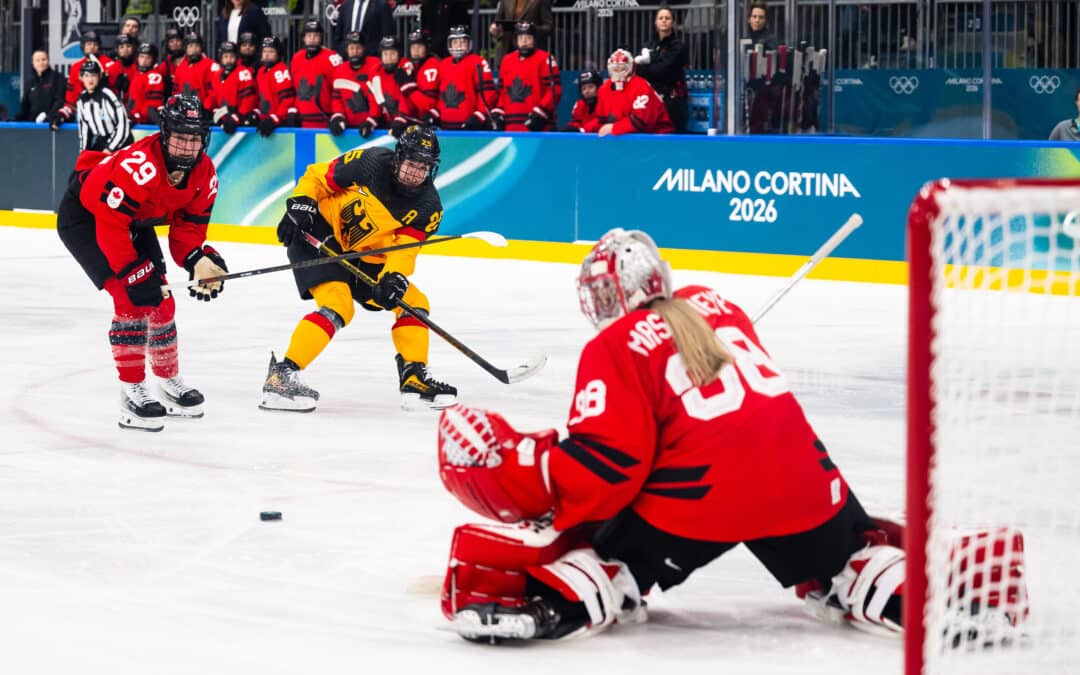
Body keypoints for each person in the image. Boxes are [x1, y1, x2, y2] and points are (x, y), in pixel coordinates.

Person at [433, 228, 907, 642]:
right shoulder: (721, 308)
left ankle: (559, 604)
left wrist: (533, 473)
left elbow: (608, 466)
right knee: (851, 558)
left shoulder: (614, 344)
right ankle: (897, 589)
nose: (601, 306)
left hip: (699, 503)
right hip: (808, 489)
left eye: (605, 295)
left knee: (607, 559)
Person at [55, 94, 227, 431]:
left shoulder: (205, 173)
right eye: (180, 137)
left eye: (194, 138)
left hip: (132, 221)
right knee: (130, 298)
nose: (187, 147)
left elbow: (188, 230)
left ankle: (168, 380)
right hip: (88, 218)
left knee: (162, 300)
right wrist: (132, 274)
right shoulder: (140, 166)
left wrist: (197, 259)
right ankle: (131, 391)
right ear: (165, 134)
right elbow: (110, 225)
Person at [260, 125, 456, 413]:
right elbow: (318, 176)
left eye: (423, 167)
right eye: (412, 163)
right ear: (398, 157)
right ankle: (282, 376)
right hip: (318, 235)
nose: (416, 173)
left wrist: (393, 278)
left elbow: (403, 250)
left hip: (363, 257)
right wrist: (300, 204)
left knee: (414, 303)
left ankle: (413, 376)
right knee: (338, 304)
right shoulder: (370, 163)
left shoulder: (428, 207)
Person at [583, 49, 673, 136]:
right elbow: (602, 120)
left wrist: (614, 128)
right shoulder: (604, 89)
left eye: (622, 69)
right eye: (615, 69)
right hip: (627, 137)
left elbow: (641, 122)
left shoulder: (641, 86)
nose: (618, 73)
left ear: (631, 68)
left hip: (657, 137)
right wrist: (584, 129)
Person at [491, 22, 560, 132]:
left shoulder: (545, 59)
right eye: (521, 38)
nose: (524, 41)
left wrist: (541, 111)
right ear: (516, 41)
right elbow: (502, 92)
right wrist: (499, 111)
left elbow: (554, 90)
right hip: (511, 125)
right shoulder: (506, 60)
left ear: (534, 40)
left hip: (538, 125)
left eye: (528, 38)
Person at [425, 25, 497, 130]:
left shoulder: (478, 62)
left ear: (469, 44)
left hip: (469, 129)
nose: (458, 46)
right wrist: (433, 114)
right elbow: (439, 97)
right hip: (445, 127)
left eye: (463, 42)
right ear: (450, 44)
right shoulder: (443, 65)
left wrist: (479, 116)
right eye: (455, 42)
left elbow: (488, 94)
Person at [634, 6, 689, 133]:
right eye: (661, 18)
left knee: (672, 138)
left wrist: (650, 62)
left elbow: (664, 70)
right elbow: (639, 70)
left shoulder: (678, 46)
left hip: (672, 102)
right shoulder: (647, 45)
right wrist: (654, 63)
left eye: (667, 18)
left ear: (673, 23)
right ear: (656, 22)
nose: (664, 20)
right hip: (651, 101)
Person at [291, 20, 342, 129]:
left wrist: (338, 114)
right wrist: (293, 109)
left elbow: (339, 91)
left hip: (325, 120)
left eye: (316, 35)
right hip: (302, 120)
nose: (312, 39)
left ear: (321, 38)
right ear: (304, 38)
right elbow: (295, 88)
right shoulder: (296, 58)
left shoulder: (332, 58)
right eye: (309, 35)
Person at [328, 31, 380, 137]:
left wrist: (372, 120)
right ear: (347, 50)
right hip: (349, 127)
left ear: (364, 48)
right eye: (351, 48)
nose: (355, 52)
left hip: (375, 127)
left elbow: (378, 97)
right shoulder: (340, 70)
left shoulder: (376, 65)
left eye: (358, 48)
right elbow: (337, 98)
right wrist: (338, 116)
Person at [73, 60, 132, 152]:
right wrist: (83, 152)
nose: (90, 79)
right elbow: (84, 130)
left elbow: (123, 125)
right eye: (86, 76)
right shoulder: (82, 100)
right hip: (102, 142)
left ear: (99, 76)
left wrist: (110, 148)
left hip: (121, 143)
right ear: (81, 77)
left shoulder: (108, 95)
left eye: (93, 75)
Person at [254, 36, 299, 137]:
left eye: (271, 51)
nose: (267, 55)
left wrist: (275, 118)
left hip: (278, 124)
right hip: (265, 122)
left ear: (278, 54)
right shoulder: (261, 71)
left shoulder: (280, 71)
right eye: (264, 51)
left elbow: (288, 100)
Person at [212, 41, 257, 133]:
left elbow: (249, 100)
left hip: (241, 118)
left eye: (232, 56)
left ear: (236, 58)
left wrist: (237, 117)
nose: (229, 60)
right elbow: (213, 97)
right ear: (221, 58)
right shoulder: (216, 75)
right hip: (224, 116)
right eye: (226, 57)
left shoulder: (243, 73)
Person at [172, 32, 221, 112]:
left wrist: (205, 108)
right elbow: (175, 92)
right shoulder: (180, 68)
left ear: (201, 48)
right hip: (184, 112)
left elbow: (214, 91)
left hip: (205, 111)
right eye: (191, 46)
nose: (194, 49)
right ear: (185, 48)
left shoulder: (211, 66)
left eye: (197, 46)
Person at [400, 29, 440, 123]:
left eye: (420, 46)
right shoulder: (410, 65)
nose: (416, 51)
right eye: (413, 47)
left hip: (432, 122)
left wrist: (409, 89)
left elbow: (429, 105)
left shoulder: (432, 66)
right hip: (417, 120)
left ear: (427, 48)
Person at [16, 49, 65, 123]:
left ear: (48, 61)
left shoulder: (58, 78)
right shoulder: (30, 83)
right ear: (33, 63)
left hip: (50, 123)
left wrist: (48, 117)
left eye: (43, 59)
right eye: (37, 60)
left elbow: (60, 101)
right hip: (32, 125)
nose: (41, 63)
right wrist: (17, 119)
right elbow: (25, 105)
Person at [127, 43, 166, 125]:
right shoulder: (136, 74)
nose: (144, 61)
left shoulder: (155, 76)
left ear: (153, 60)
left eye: (148, 58)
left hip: (147, 122)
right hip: (134, 119)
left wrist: (138, 116)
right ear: (137, 58)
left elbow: (153, 106)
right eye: (142, 57)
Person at [111, 34, 139, 104]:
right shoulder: (113, 68)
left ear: (133, 48)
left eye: (128, 46)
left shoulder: (139, 66)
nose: (125, 50)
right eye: (122, 47)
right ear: (117, 50)